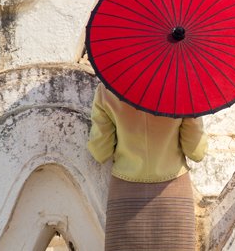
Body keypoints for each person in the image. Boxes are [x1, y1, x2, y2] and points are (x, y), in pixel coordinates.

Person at [87, 85, 207, 251]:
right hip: (173, 192)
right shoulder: (182, 90)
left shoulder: (106, 90)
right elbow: (196, 152)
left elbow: (101, 151)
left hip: (125, 193)